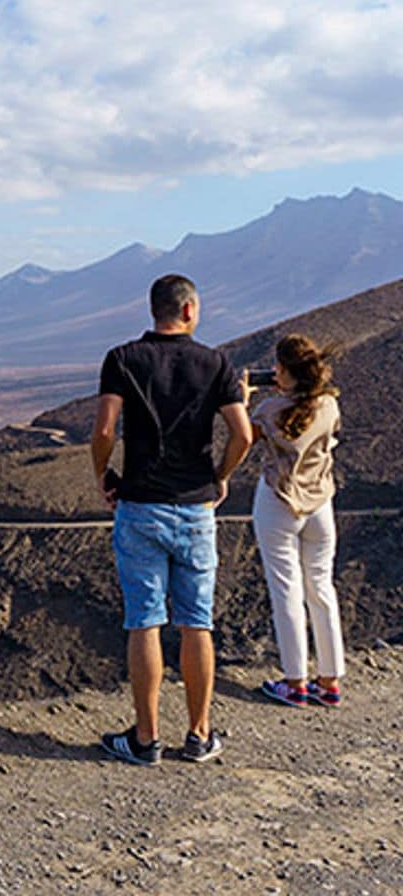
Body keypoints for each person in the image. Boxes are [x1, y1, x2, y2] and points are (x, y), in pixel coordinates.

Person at [91, 274, 253, 765]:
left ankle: (145, 739)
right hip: (196, 508)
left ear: (154, 310)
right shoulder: (216, 363)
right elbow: (242, 435)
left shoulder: (122, 359)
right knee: (195, 623)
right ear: (188, 311)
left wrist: (104, 476)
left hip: (139, 504)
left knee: (144, 622)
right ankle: (200, 735)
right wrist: (220, 476)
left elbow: (103, 429)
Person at [246, 334, 345, 708]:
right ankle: (329, 680)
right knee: (321, 588)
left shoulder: (270, 410)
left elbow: (244, 438)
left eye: (278, 367)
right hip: (320, 506)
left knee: (286, 590)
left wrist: (242, 400)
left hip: (278, 502)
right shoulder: (330, 407)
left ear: (286, 371)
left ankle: (294, 681)